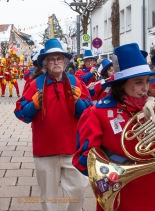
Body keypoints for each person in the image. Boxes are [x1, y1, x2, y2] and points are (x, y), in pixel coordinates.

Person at [72, 43, 155, 211]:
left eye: (147, 81)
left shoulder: (151, 108)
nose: (145, 88)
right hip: (121, 193)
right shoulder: (98, 113)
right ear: (121, 84)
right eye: (138, 82)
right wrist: (112, 174)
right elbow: (84, 160)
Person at [14, 38, 92, 211]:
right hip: (45, 149)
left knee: (79, 190)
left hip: (72, 147)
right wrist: (34, 105)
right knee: (48, 197)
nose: (56, 62)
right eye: (51, 59)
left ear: (64, 61)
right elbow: (20, 113)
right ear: (45, 64)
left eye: (59, 59)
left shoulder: (75, 82)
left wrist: (77, 101)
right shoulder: (36, 84)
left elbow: (88, 112)